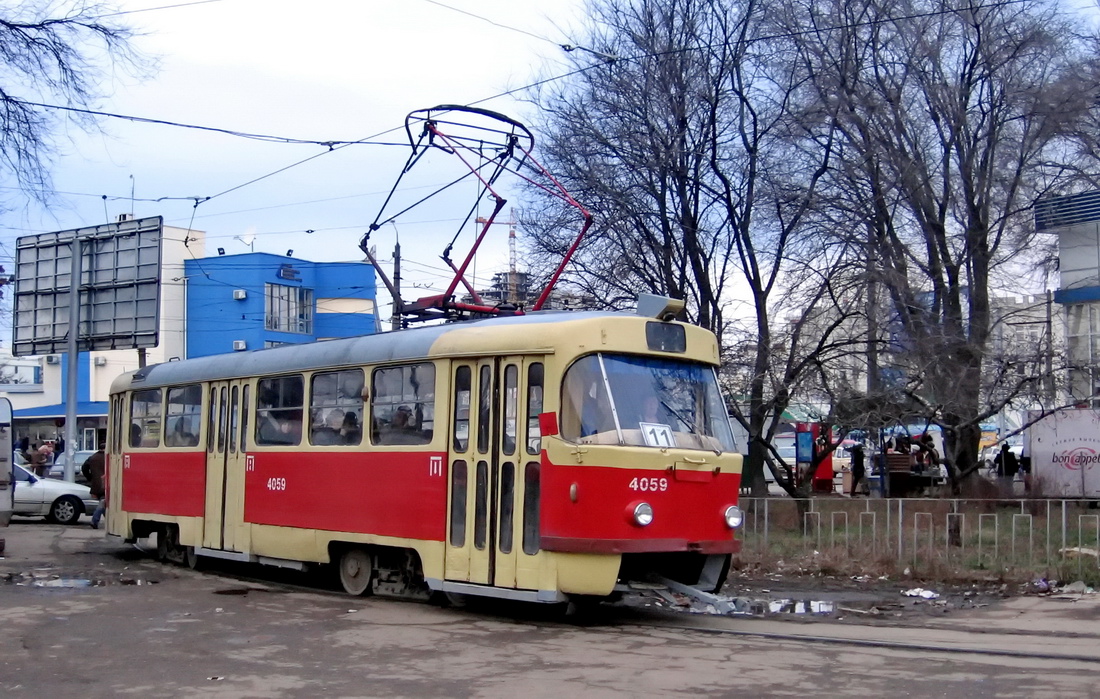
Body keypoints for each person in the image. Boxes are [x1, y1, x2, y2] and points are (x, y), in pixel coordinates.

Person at [86, 446, 107, 529]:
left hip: (95, 484)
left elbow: (84, 467)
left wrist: (90, 477)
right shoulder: (108, 457)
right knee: (103, 502)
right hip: (105, 483)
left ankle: (109, 522)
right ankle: (94, 520)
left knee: (104, 503)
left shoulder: (93, 457)